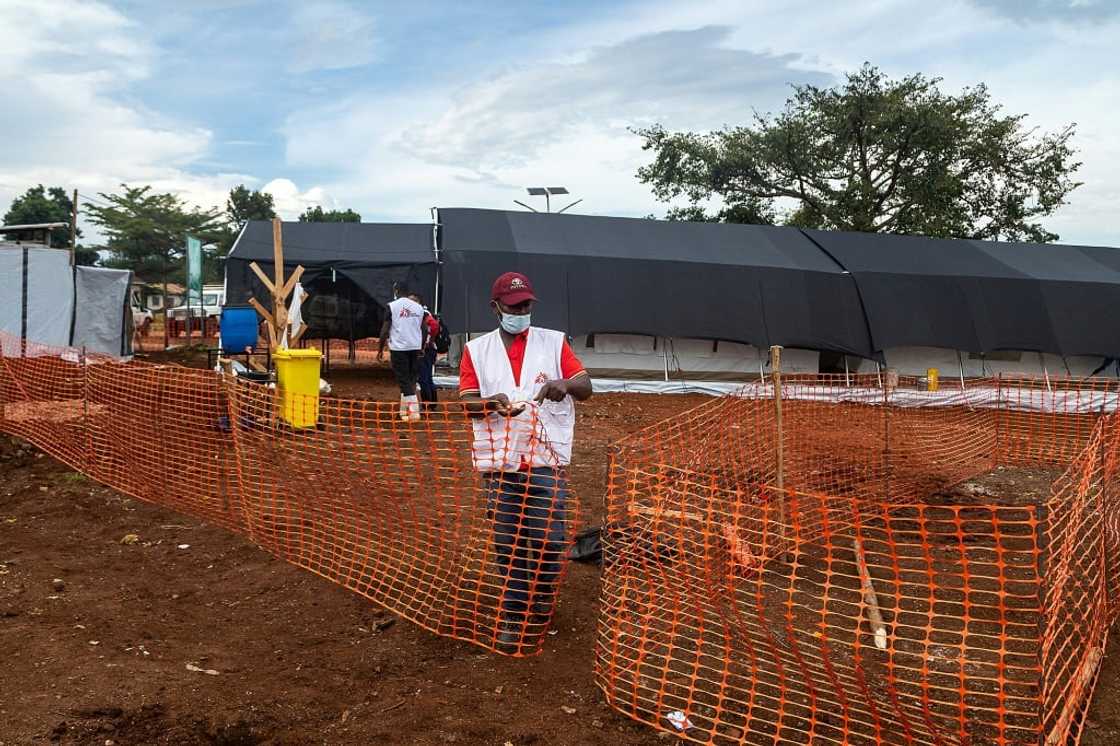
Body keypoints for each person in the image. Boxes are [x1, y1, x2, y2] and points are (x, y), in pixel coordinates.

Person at [458, 271, 592, 651]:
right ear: (495, 307)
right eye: (515, 306)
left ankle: (543, 599)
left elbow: (586, 386)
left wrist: (564, 384)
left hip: (545, 459)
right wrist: (489, 402)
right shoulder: (476, 350)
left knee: (550, 540)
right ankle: (515, 614)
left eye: (527, 305)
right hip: (500, 462)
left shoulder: (553, 342)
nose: (522, 311)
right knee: (510, 543)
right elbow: (466, 401)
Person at [378, 288, 426, 421]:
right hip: (415, 347)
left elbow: (385, 329)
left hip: (399, 348)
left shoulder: (392, 306)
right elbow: (424, 329)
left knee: (403, 379)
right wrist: (422, 346)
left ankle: (414, 411)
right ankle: (403, 411)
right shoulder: (419, 308)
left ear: (396, 291)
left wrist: (380, 348)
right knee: (410, 379)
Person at [418, 306, 440, 408]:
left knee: (423, 378)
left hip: (425, 350)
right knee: (428, 377)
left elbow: (426, 335)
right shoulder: (431, 319)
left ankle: (427, 404)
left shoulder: (425, 320)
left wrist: (423, 347)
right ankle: (433, 403)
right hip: (431, 350)